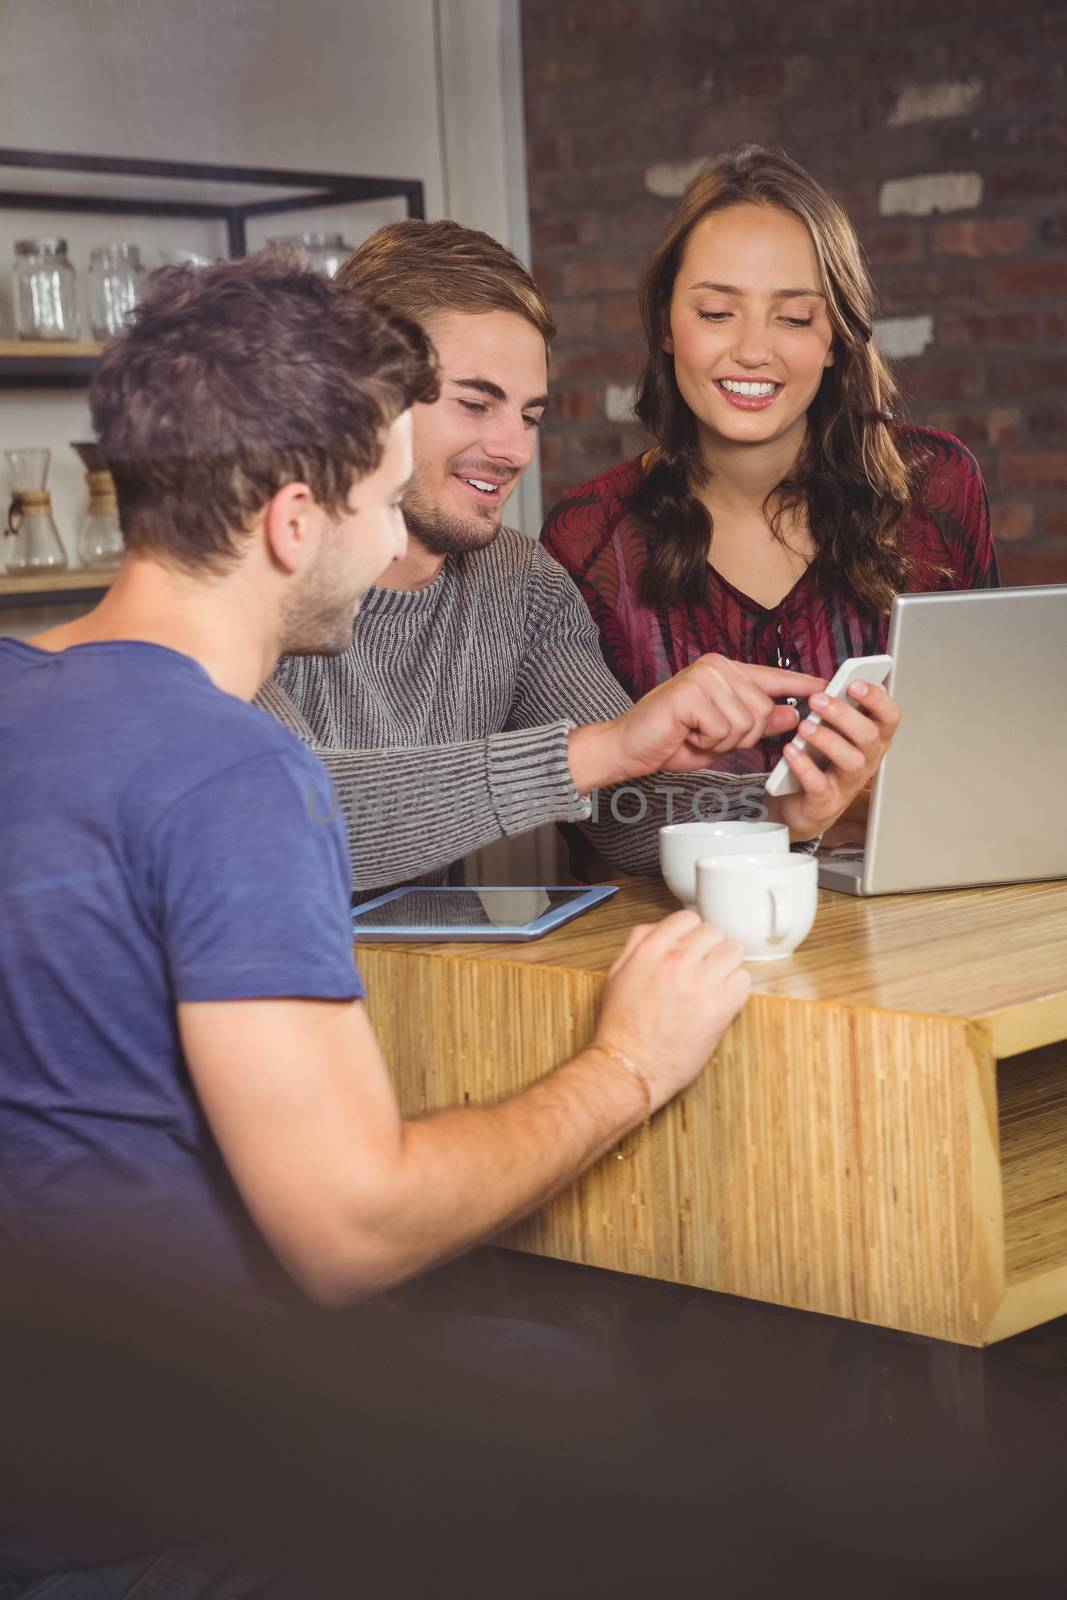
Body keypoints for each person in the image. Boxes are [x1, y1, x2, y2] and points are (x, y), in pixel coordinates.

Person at [0, 250, 757, 1593]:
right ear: (296, 523)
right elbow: (349, 1229)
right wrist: (629, 1061)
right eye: (373, 498)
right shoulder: (233, 766)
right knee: (608, 1424)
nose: (386, 541)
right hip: (166, 1485)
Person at [259, 219, 901, 889]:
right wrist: (600, 751)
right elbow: (281, 816)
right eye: (475, 404)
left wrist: (775, 809)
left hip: (424, 982)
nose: (513, 450)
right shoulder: (250, 570)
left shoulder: (519, 582)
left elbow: (620, 812)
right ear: (360, 399)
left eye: (529, 416)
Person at [541, 143, 996, 807]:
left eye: (793, 316)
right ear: (666, 323)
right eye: (716, 313)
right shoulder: (587, 539)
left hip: (911, 908)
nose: (752, 350)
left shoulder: (935, 487)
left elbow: (985, 747)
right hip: (680, 911)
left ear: (835, 336)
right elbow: (589, 812)